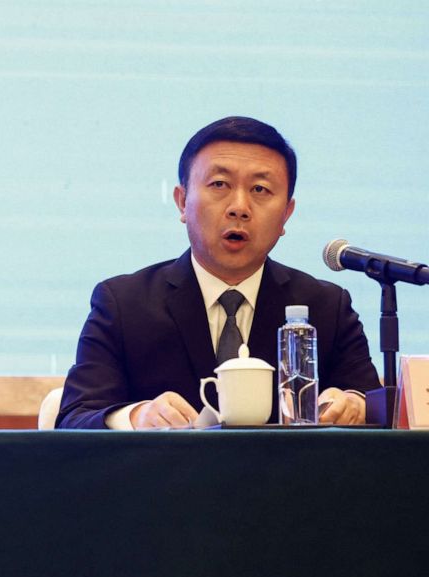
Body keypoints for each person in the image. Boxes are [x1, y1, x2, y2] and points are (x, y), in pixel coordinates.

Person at [56, 116, 380, 430]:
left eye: (260, 189)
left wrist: (354, 404)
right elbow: (74, 417)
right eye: (219, 184)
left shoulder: (326, 306)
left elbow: (378, 409)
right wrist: (137, 416)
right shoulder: (124, 304)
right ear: (182, 202)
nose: (239, 206)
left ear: (286, 215)